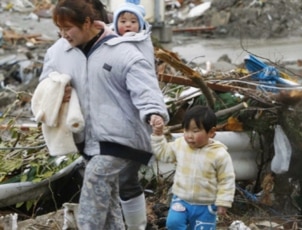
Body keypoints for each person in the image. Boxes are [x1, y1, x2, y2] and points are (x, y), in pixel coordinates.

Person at [39, 0, 169, 229]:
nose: (63, 34)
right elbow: (45, 85)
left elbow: (145, 87)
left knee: (95, 178)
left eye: (68, 27)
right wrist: (58, 91)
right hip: (87, 139)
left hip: (123, 136)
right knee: (108, 203)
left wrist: (153, 113)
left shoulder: (121, 51)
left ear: (87, 22)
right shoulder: (59, 52)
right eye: (59, 28)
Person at [149, 105, 236, 230]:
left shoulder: (219, 154)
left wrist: (223, 202)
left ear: (211, 132)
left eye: (195, 131)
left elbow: (226, 180)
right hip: (181, 199)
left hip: (206, 206)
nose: (189, 135)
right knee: (173, 223)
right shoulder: (180, 145)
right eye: (186, 130)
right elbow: (163, 153)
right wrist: (157, 135)